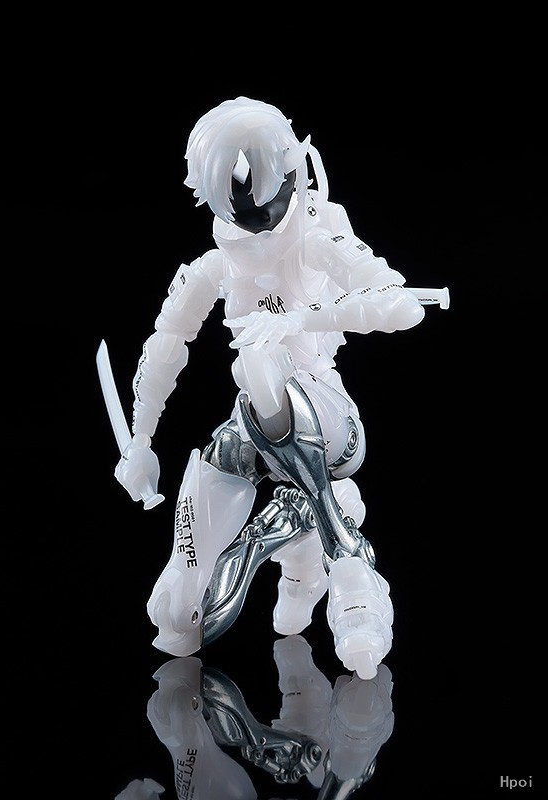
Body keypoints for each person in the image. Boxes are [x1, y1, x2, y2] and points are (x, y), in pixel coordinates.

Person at [114, 97, 426, 679]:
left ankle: (342, 561)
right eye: (236, 198)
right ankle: (292, 547)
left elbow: (401, 305)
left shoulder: (317, 240)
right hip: (252, 421)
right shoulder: (215, 265)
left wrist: (302, 319)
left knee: (261, 372)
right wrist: (140, 441)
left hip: (329, 417)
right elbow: (166, 344)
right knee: (177, 612)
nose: (256, 216)